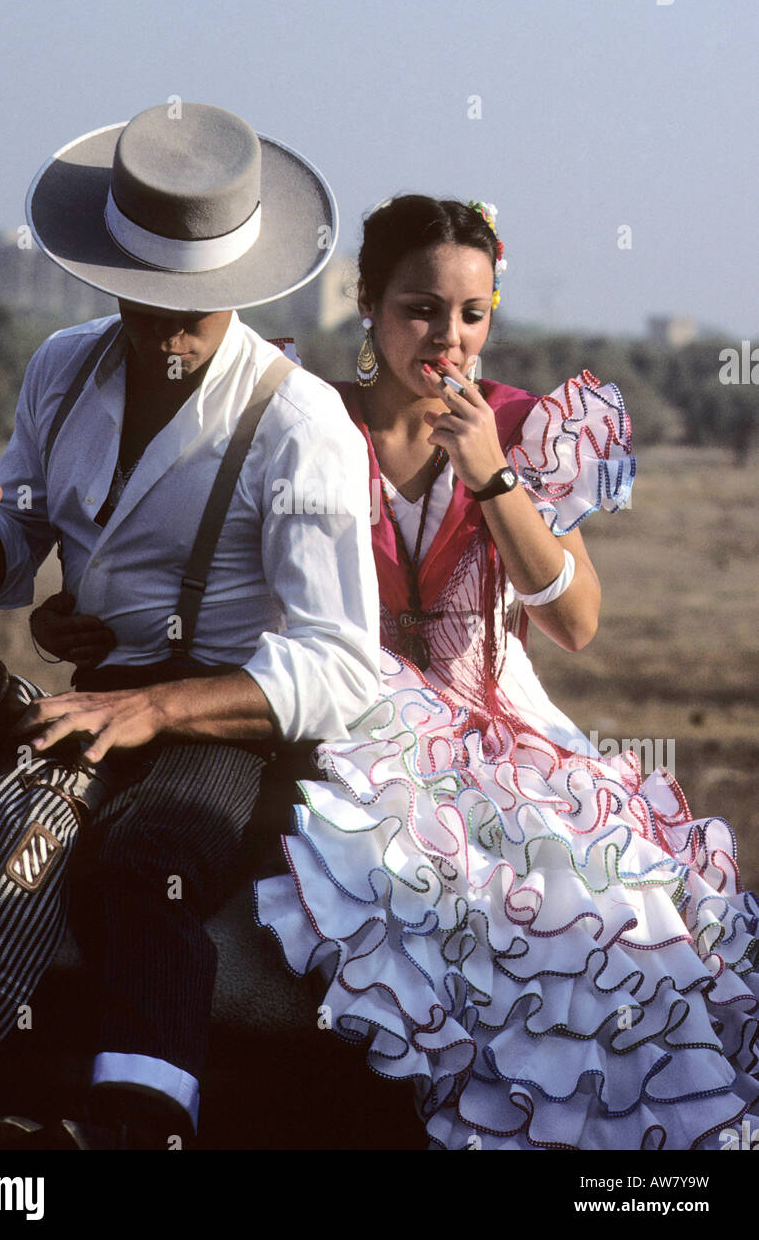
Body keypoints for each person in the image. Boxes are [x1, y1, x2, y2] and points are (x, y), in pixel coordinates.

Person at [0, 102, 381, 1149]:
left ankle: (132, 1124)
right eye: (143, 301)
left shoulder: (298, 426)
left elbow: (342, 666)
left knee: (146, 866)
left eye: (190, 309)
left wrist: (157, 703)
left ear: (240, 290)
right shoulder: (62, 369)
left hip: (225, 720)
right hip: (86, 700)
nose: (163, 330)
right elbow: (15, 556)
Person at [254, 194, 759, 1151]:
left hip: (505, 730)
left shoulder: (524, 429)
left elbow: (573, 622)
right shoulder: (308, 419)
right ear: (365, 301)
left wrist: (492, 474)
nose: (447, 337)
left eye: (472, 314)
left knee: (613, 919)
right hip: (352, 720)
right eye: (419, 308)